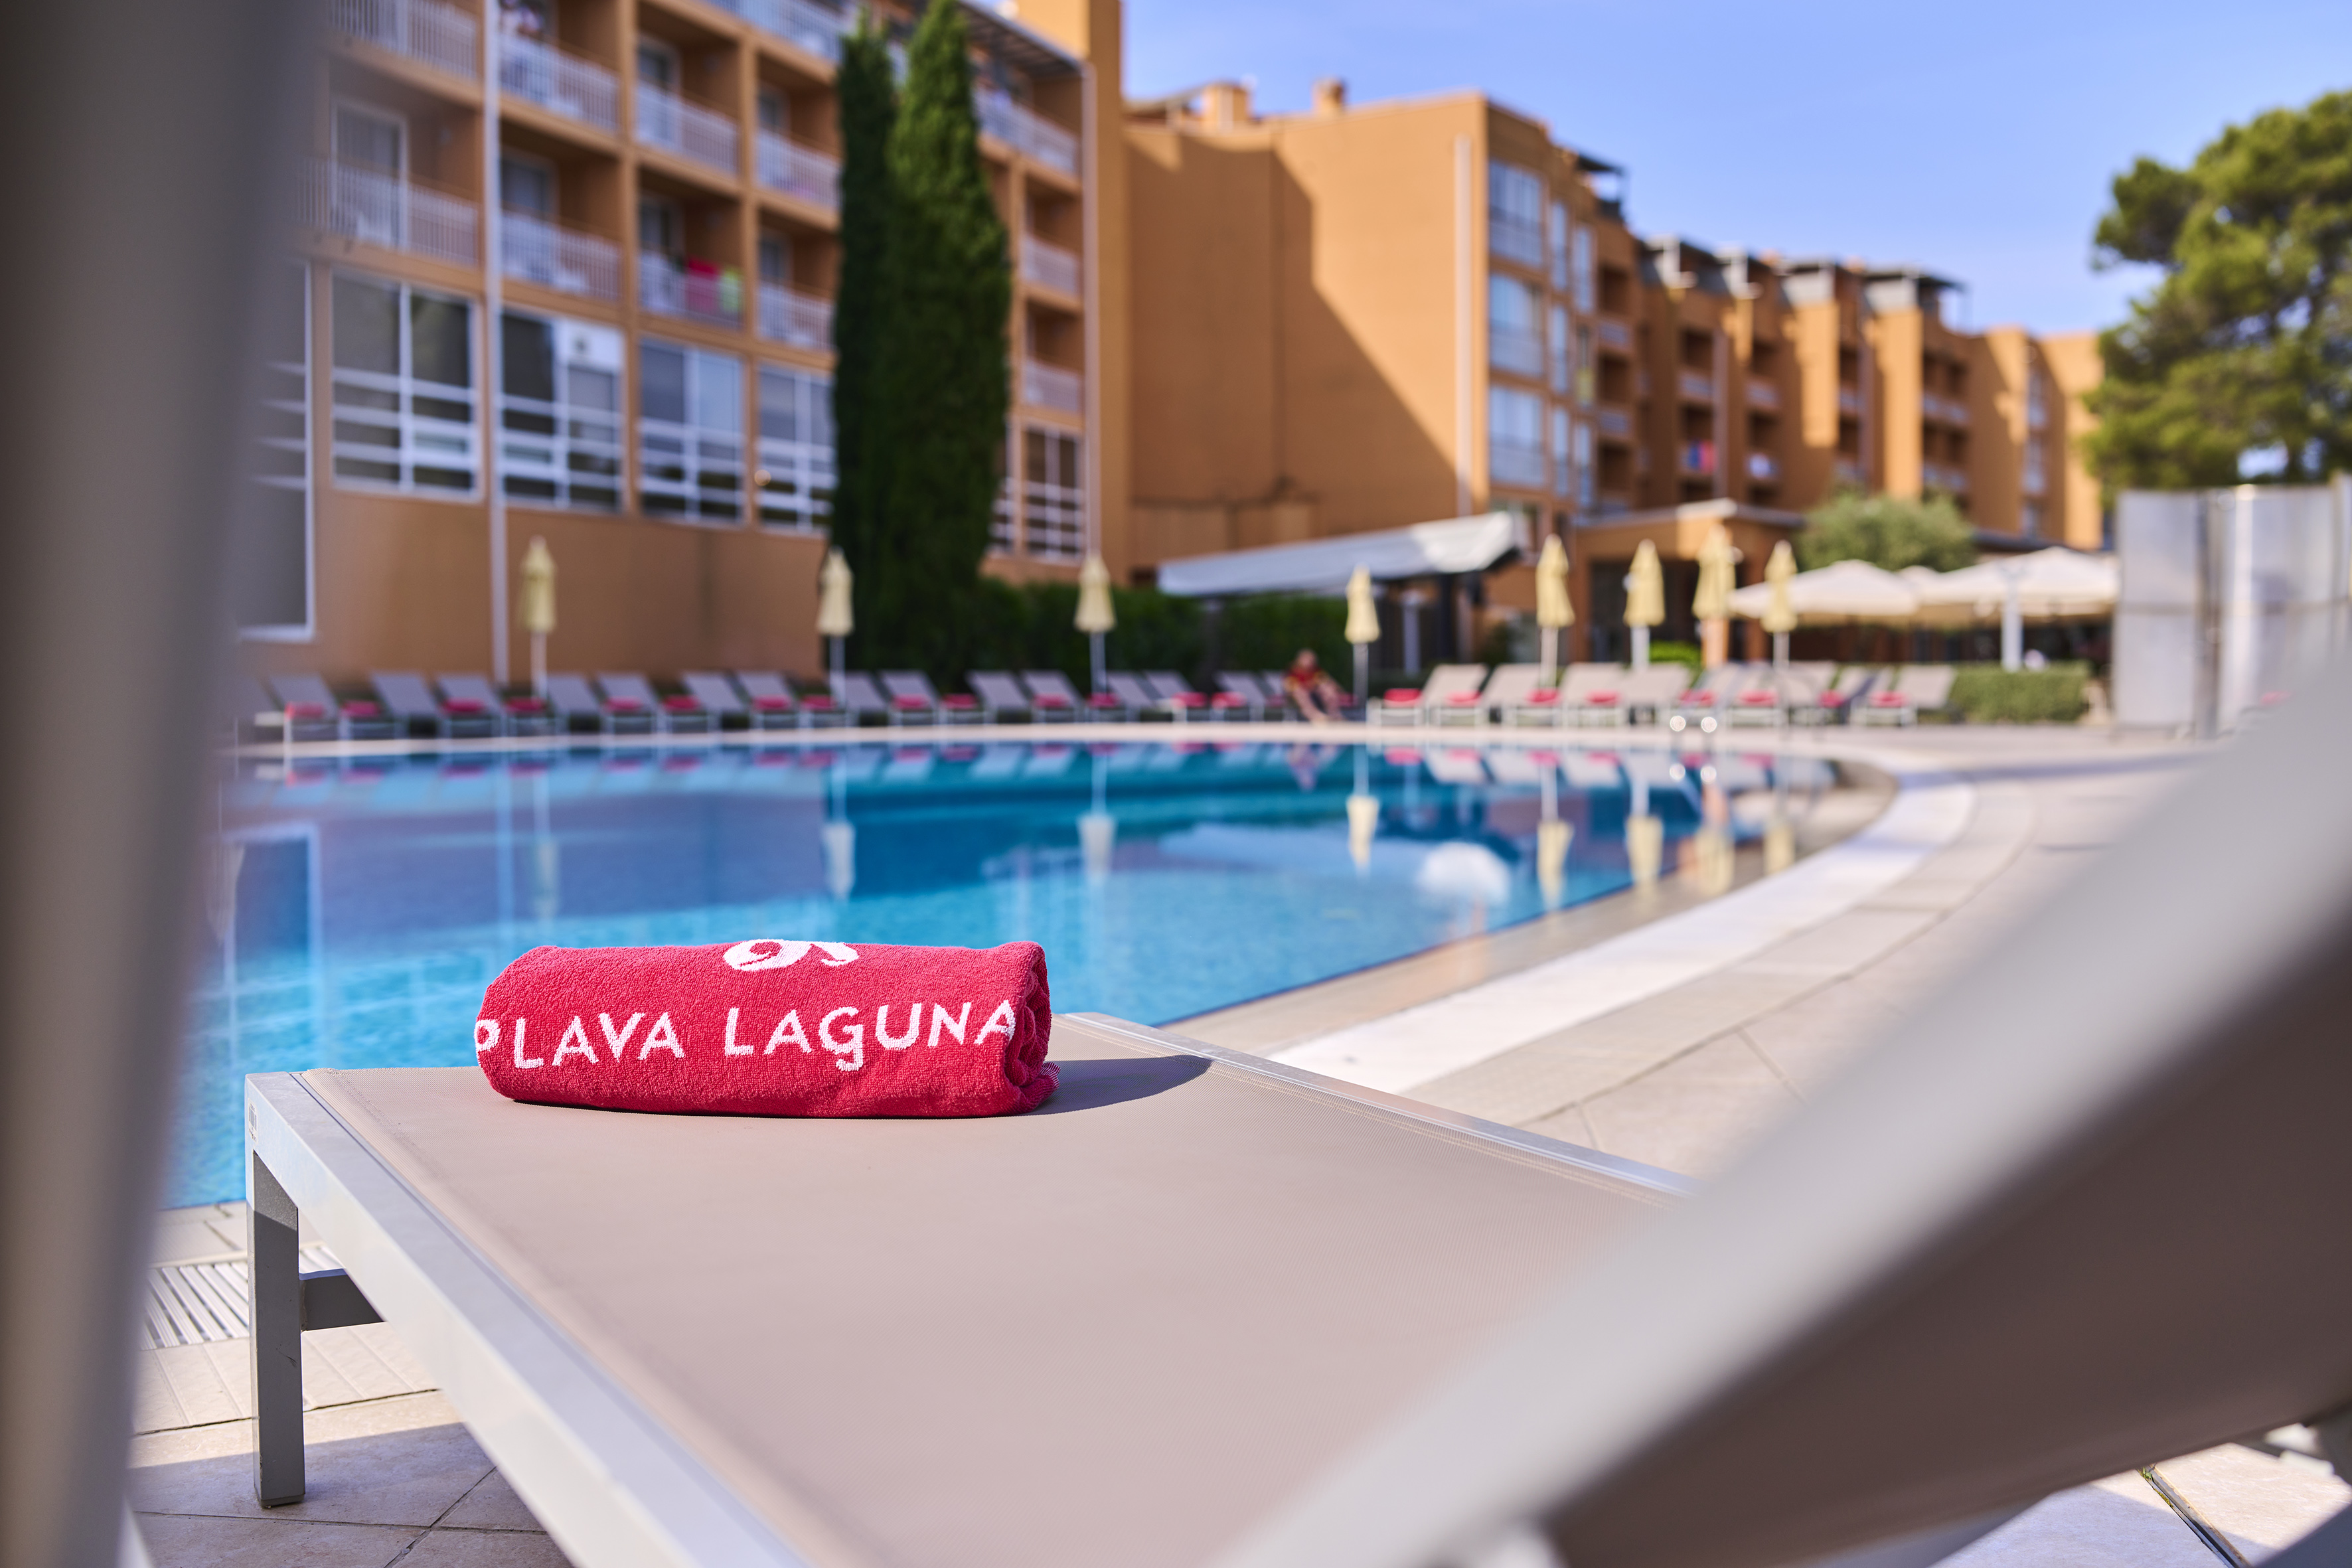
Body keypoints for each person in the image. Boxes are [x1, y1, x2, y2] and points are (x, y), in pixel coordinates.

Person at [1283, 649, 1349, 724]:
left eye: (1311, 660)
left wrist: (1337, 690)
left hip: (1315, 696)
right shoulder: (1293, 671)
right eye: (1307, 659)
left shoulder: (1316, 671)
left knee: (1328, 689)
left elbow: (1326, 681)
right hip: (1297, 698)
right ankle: (1315, 716)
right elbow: (1289, 687)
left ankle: (1335, 714)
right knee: (1300, 692)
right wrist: (1308, 686)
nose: (1310, 662)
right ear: (1300, 660)